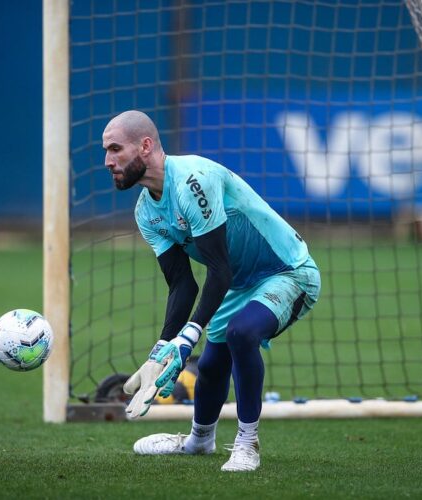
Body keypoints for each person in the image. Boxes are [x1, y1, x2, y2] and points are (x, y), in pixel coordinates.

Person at [103, 110, 320, 472]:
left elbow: (219, 269)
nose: (108, 161)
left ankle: (248, 442)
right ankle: (199, 441)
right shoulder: (145, 212)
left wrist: (188, 336)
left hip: (288, 271)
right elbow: (182, 284)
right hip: (238, 283)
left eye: (114, 149)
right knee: (211, 362)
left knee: (241, 333)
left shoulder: (192, 180)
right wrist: (162, 349)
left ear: (145, 146)